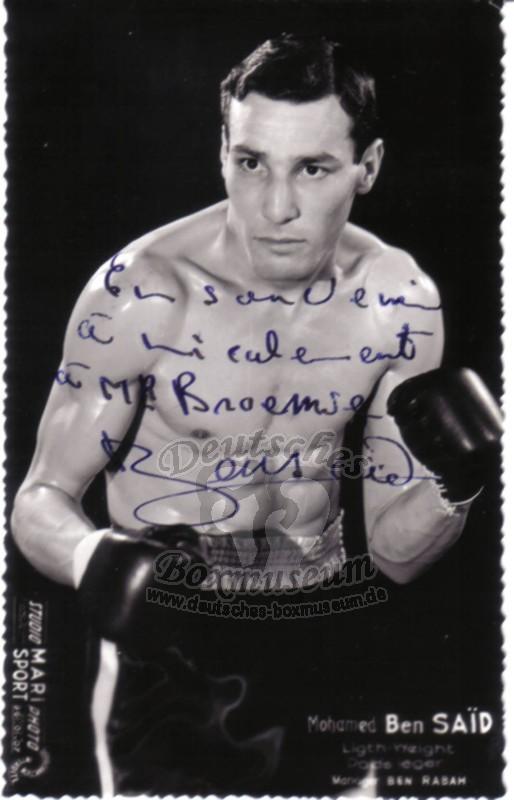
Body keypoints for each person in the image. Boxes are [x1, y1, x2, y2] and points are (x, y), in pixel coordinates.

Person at [10, 34, 501, 795]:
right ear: (222, 154)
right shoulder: (142, 292)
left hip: (326, 626)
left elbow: (396, 555)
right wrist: (91, 555)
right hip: (168, 650)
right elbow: (38, 500)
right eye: (251, 163)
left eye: (313, 168)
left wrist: (456, 487)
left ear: (367, 167)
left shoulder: (397, 300)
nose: (276, 208)